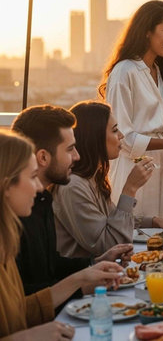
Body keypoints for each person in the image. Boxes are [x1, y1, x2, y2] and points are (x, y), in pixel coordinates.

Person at [0, 129, 123, 339]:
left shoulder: (5, 243)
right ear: (6, 185)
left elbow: (18, 311)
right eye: (31, 177)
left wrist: (82, 277)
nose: (39, 187)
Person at [12, 105, 131, 301]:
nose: (77, 156)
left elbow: (50, 265)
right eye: (70, 149)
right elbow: (23, 296)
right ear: (43, 157)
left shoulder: (42, 201)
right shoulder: (16, 213)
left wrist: (95, 262)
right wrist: (81, 284)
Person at [99, 0, 163, 220]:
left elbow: (146, 124)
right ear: (147, 31)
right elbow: (124, 136)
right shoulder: (124, 72)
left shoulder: (156, 70)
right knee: (134, 238)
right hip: (132, 172)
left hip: (159, 170)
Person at [52, 101, 163, 258]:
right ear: (95, 137)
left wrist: (154, 221)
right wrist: (130, 189)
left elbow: (110, 220)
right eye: (114, 130)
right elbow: (109, 244)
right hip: (86, 275)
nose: (121, 135)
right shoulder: (73, 186)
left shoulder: (93, 178)